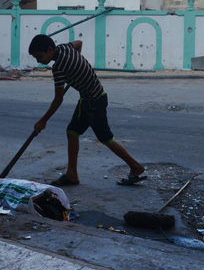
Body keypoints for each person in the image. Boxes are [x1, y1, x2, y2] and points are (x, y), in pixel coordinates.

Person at [28, 35, 146, 187]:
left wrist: (43, 120)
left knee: (106, 138)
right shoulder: (65, 47)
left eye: (39, 56)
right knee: (72, 132)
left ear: (50, 50)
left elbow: (58, 99)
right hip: (90, 98)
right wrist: (78, 65)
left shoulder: (58, 68)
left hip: (94, 102)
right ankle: (72, 174)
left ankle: (136, 167)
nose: (38, 61)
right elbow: (79, 43)